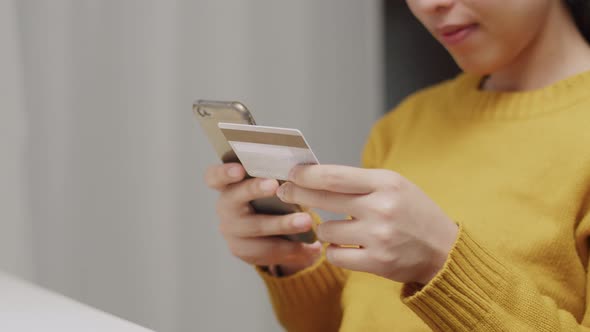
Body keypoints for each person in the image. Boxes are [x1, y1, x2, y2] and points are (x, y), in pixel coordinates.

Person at [204, 0, 590, 330]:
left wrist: (441, 264)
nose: (427, 5)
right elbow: (351, 319)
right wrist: (292, 258)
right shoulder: (404, 124)